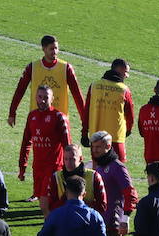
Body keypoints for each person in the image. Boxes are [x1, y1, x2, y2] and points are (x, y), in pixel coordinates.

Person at [8, 35, 86, 133]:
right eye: (51, 49)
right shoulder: (32, 68)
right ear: (44, 49)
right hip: (37, 119)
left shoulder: (66, 68)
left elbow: (77, 95)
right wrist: (12, 112)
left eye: (56, 48)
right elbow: (20, 91)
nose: (55, 52)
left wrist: (84, 119)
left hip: (59, 120)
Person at [18, 84, 72, 216]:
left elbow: (68, 145)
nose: (42, 100)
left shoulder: (59, 117)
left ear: (52, 98)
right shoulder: (32, 116)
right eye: (39, 97)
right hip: (38, 167)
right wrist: (22, 166)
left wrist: (69, 168)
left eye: (46, 97)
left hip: (54, 167)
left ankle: (51, 229)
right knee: (46, 204)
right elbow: (26, 142)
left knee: (45, 204)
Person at [82, 58, 134, 161]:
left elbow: (86, 111)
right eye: (126, 72)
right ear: (119, 70)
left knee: (98, 171)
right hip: (116, 139)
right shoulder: (124, 90)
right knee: (118, 170)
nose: (127, 76)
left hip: (95, 138)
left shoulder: (94, 86)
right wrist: (128, 130)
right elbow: (130, 115)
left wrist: (84, 133)